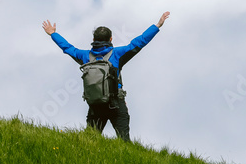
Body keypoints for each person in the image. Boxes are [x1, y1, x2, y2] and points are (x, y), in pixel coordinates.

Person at [41, 11, 169, 142]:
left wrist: (53, 34)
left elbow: (67, 48)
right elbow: (139, 42)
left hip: (95, 105)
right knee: (124, 141)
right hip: (116, 103)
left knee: (90, 141)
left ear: (93, 40)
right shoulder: (117, 54)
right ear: (111, 39)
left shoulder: (85, 56)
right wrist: (157, 25)